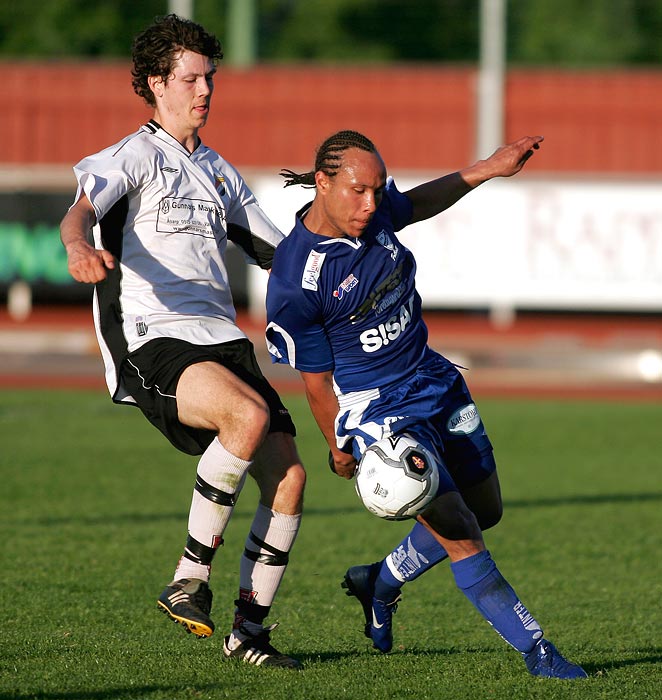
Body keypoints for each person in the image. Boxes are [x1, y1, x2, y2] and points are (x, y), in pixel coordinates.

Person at [265, 130, 588, 679]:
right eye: (358, 191)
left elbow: (417, 202)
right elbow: (317, 384)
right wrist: (339, 448)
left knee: (486, 510)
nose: (371, 204)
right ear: (323, 184)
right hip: (381, 415)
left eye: (377, 190)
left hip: (435, 381)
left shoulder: (373, 213)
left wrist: (487, 168)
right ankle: (540, 653)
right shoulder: (297, 281)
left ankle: (380, 581)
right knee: (461, 525)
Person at [59, 14, 305, 670]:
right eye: (191, 79)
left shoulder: (218, 171)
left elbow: (277, 254)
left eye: (210, 78)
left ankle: (249, 633)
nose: (205, 90)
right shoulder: (132, 156)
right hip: (155, 338)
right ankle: (188, 580)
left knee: (288, 479)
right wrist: (79, 245)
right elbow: (79, 210)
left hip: (222, 339)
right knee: (246, 417)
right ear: (156, 83)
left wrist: (337, 253)